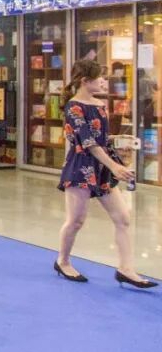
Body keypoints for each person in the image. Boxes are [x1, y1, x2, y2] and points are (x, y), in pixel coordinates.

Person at [55, 59, 157, 289]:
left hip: (102, 168)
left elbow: (99, 138)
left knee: (123, 218)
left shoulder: (100, 104)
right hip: (80, 167)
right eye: (99, 77)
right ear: (85, 81)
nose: (103, 81)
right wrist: (114, 166)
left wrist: (118, 140)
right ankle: (63, 261)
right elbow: (88, 142)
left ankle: (126, 269)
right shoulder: (73, 107)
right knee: (76, 221)